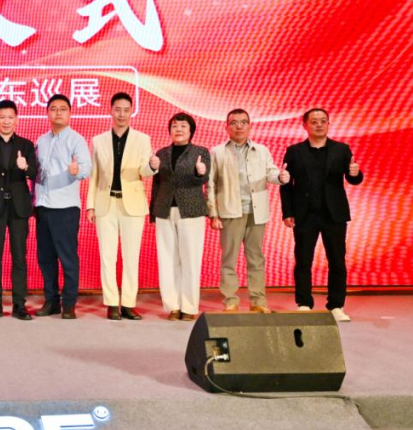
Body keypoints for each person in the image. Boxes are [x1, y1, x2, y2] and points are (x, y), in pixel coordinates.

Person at [280, 108, 364, 322]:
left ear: (328, 124)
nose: (319, 125)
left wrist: (356, 174)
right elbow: (286, 184)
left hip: (334, 214)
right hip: (304, 214)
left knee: (337, 260)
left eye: (323, 121)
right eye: (314, 121)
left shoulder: (342, 149)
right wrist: (287, 212)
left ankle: (336, 305)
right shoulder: (294, 151)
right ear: (305, 125)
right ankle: (304, 303)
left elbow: (353, 177)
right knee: (303, 260)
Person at [206, 109, 285, 314]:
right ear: (226, 127)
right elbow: (211, 184)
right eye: (234, 123)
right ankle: (230, 301)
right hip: (230, 211)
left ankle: (258, 301)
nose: (239, 126)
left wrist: (280, 177)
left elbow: (271, 173)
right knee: (229, 259)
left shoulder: (262, 150)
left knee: (256, 258)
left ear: (250, 126)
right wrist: (213, 214)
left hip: (256, 212)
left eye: (243, 122)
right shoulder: (217, 152)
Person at [86, 92, 154, 320]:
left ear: (131, 111)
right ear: (111, 111)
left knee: (131, 256)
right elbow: (95, 175)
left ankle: (128, 303)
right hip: (105, 203)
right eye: (118, 109)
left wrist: (153, 166)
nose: (122, 114)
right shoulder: (98, 140)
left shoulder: (142, 139)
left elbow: (144, 170)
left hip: (132, 204)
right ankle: (112, 302)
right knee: (107, 256)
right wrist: (90, 205)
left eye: (126, 110)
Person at [0, 100, 38, 319]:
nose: (6, 121)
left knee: (19, 257)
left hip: (19, 208)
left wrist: (25, 167)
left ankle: (20, 304)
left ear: (17, 119)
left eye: (10, 117)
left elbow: (34, 173)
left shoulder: (26, 145)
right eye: (2, 117)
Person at [34, 94, 91, 319]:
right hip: (42, 206)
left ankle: (68, 303)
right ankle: (51, 300)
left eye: (63, 109)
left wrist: (78, 171)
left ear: (70, 113)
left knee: (67, 257)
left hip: (65, 207)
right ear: (47, 113)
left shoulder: (76, 140)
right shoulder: (41, 140)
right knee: (45, 258)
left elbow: (86, 167)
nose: (58, 113)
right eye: (53, 109)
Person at [150, 113, 211, 321]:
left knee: (190, 260)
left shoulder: (200, 152)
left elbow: (204, 177)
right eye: (175, 126)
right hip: (164, 210)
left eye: (183, 126)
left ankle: (189, 307)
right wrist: (154, 211)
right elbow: (157, 183)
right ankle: (173, 306)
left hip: (191, 211)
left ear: (191, 130)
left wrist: (200, 172)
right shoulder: (161, 153)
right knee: (167, 260)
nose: (178, 129)